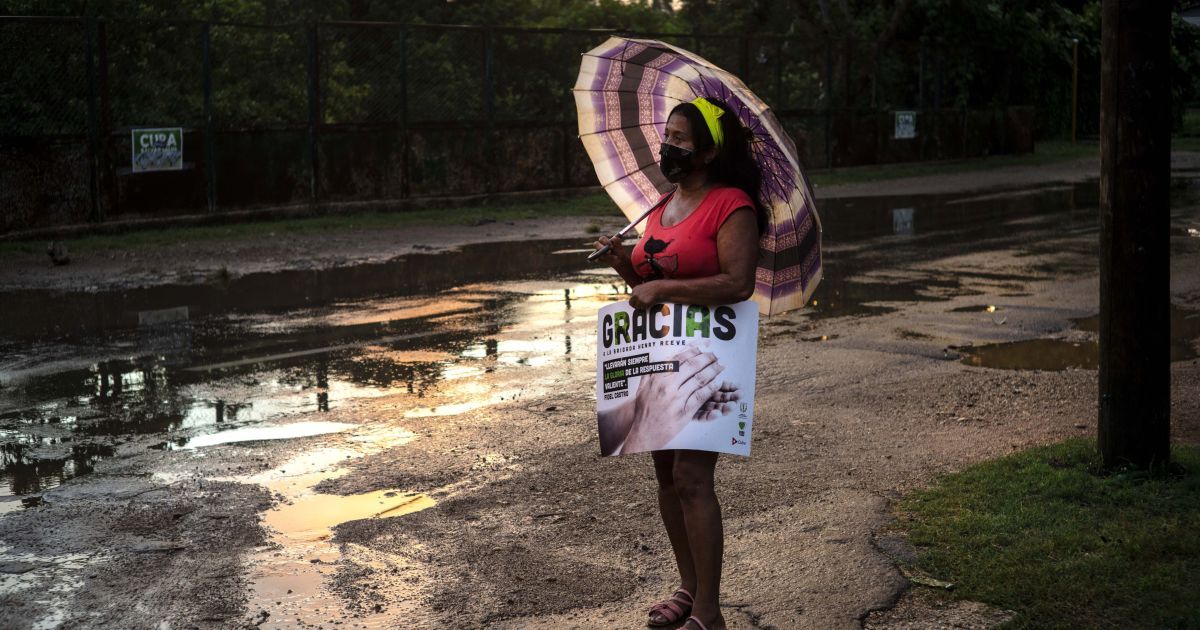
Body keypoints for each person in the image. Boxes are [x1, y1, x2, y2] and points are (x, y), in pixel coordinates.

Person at [592, 96, 763, 630]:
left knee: (692, 475)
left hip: (709, 357)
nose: (670, 146)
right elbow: (650, 290)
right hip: (657, 354)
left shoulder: (731, 204)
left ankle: (710, 614)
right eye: (668, 136)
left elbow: (737, 283)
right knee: (665, 472)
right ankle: (689, 589)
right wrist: (628, 266)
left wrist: (663, 285)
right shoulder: (660, 207)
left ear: (709, 152)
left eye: (682, 139)